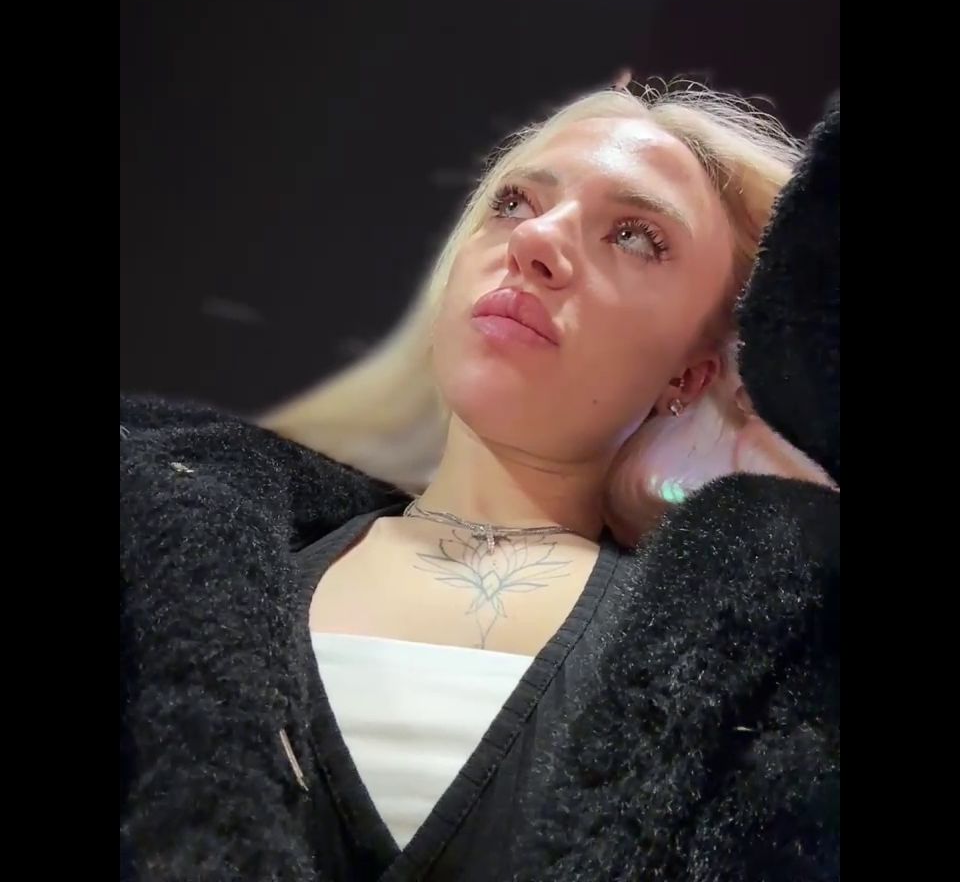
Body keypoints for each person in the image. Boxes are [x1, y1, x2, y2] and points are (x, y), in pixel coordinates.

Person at [120, 81, 839, 881]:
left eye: (635, 236)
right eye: (513, 203)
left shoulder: (758, 678)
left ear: (689, 373)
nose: (537, 240)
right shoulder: (164, 562)